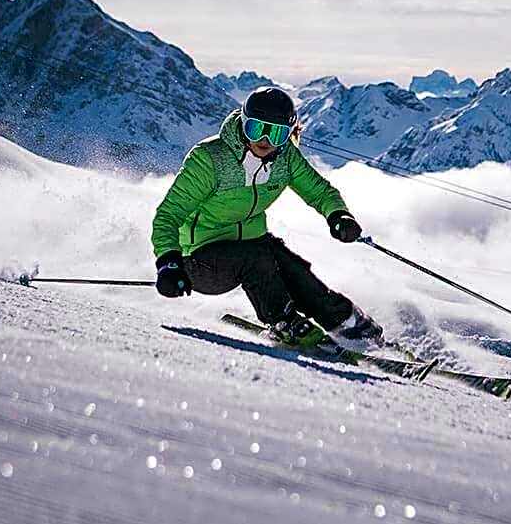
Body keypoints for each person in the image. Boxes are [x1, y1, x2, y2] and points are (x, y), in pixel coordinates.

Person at [151, 86, 383, 347]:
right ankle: (283, 322)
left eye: (276, 133)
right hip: (196, 261)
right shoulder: (209, 160)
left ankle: (346, 322)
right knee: (256, 258)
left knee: (293, 268)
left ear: (288, 134)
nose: (264, 140)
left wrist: (338, 215)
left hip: (251, 243)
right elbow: (168, 215)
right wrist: (168, 264)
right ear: (242, 123)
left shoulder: (285, 159)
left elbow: (319, 191)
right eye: (255, 128)